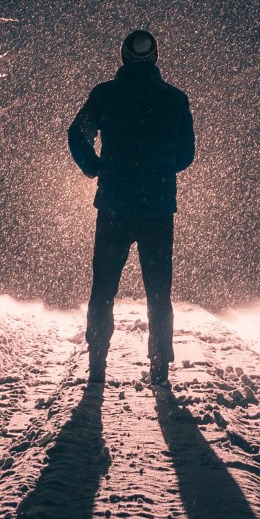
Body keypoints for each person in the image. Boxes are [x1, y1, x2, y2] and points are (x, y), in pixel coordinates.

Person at [67, 28, 195, 386]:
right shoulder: (174, 99)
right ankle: (159, 365)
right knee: (158, 291)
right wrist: (159, 169)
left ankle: (97, 360)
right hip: (157, 210)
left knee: (103, 286)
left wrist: (94, 166)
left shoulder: (106, 95)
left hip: (114, 206)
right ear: (155, 58)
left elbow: (77, 133)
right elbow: (187, 154)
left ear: (122, 56)